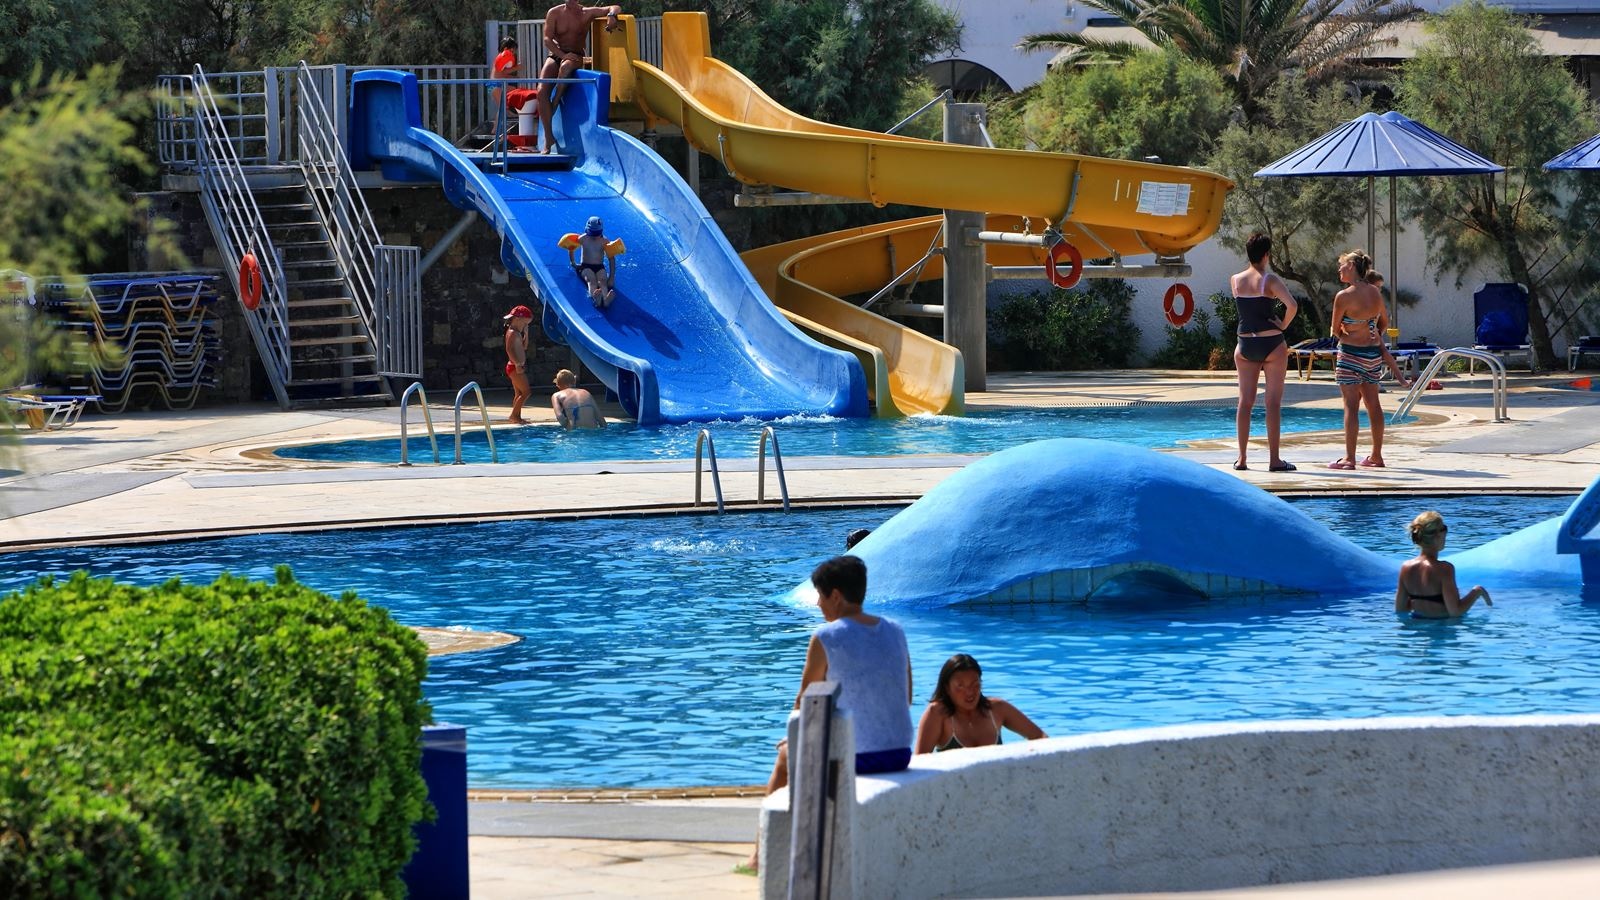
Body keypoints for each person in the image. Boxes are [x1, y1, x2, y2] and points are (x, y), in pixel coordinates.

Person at [746, 555, 912, 872]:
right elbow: (907, 696)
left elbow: (805, 701)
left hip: (861, 759)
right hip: (900, 753)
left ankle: (758, 855)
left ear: (835, 596)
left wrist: (791, 739)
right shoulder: (896, 630)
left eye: (821, 596)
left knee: (785, 758)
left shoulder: (826, 636)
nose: (819, 604)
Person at [1328, 249, 1410, 470]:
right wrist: (1372, 333)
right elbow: (1384, 321)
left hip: (1350, 354)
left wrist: (1348, 333)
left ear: (1351, 266)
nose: (1339, 269)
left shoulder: (1343, 296)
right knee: (1373, 404)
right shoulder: (1374, 292)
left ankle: (1349, 459)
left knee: (1351, 406)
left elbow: (1335, 329)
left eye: (1342, 265)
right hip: (1372, 355)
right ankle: (1376, 456)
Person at [1229, 232, 1300, 472]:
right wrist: (1283, 325)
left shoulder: (1235, 280)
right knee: (1272, 403)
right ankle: (1274, 460)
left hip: (1245, 344)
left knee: (1245, 402)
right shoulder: (1269, 280)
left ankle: (1242, 458)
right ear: (1267, 255)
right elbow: (1292, 305)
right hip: (1271, 344)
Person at [914, 654, 1045, 754]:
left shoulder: (997, 709)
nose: (969, 692)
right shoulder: (937, 714)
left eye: (975, 684)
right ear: (947, 688)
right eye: (960, 686)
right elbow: (920, 762)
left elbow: (1040, 737)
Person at [538, 0, 622, 153]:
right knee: (541, 91)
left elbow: (615, 7)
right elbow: (547, 40)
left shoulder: (586, 13)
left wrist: (611, 15)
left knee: (565, 67)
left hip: (576, 56)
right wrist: (562, 55)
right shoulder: (554, 13)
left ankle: (556, 100)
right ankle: (548, 137)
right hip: (557, 54)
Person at [1395, 511, 1492, 618]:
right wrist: (1477, 592)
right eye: (1444, 528)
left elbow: (1400, 610)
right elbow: (1455, 612)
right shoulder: (1444, 569)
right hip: (1441, 627)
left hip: (1416, 625)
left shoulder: (1405, 567)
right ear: (1438, 535)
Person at [573, 216, 617, 307]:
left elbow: (611, 259)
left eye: (596, 234)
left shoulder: (605, 241)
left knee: (603, 281)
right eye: (592, 234)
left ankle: (605, 300)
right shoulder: (583, 238)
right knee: (591, 281)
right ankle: (596, 298)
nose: (594, 236)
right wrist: (573, 263)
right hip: (585, 266)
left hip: (600, 267)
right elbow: (571, 247)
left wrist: (611, 277)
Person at [503, 305, 533, 424]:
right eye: (525, 324)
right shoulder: (512, 333)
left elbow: (524, 347)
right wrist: (517, 364)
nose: (525, 326)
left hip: (515, 366)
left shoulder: (517, 333)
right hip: (514, 367)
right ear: (517, 319)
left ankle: (516, 417)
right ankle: (514, 416)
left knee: (519, 393)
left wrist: (526, 333)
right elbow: (509, 349)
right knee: (526, 392)